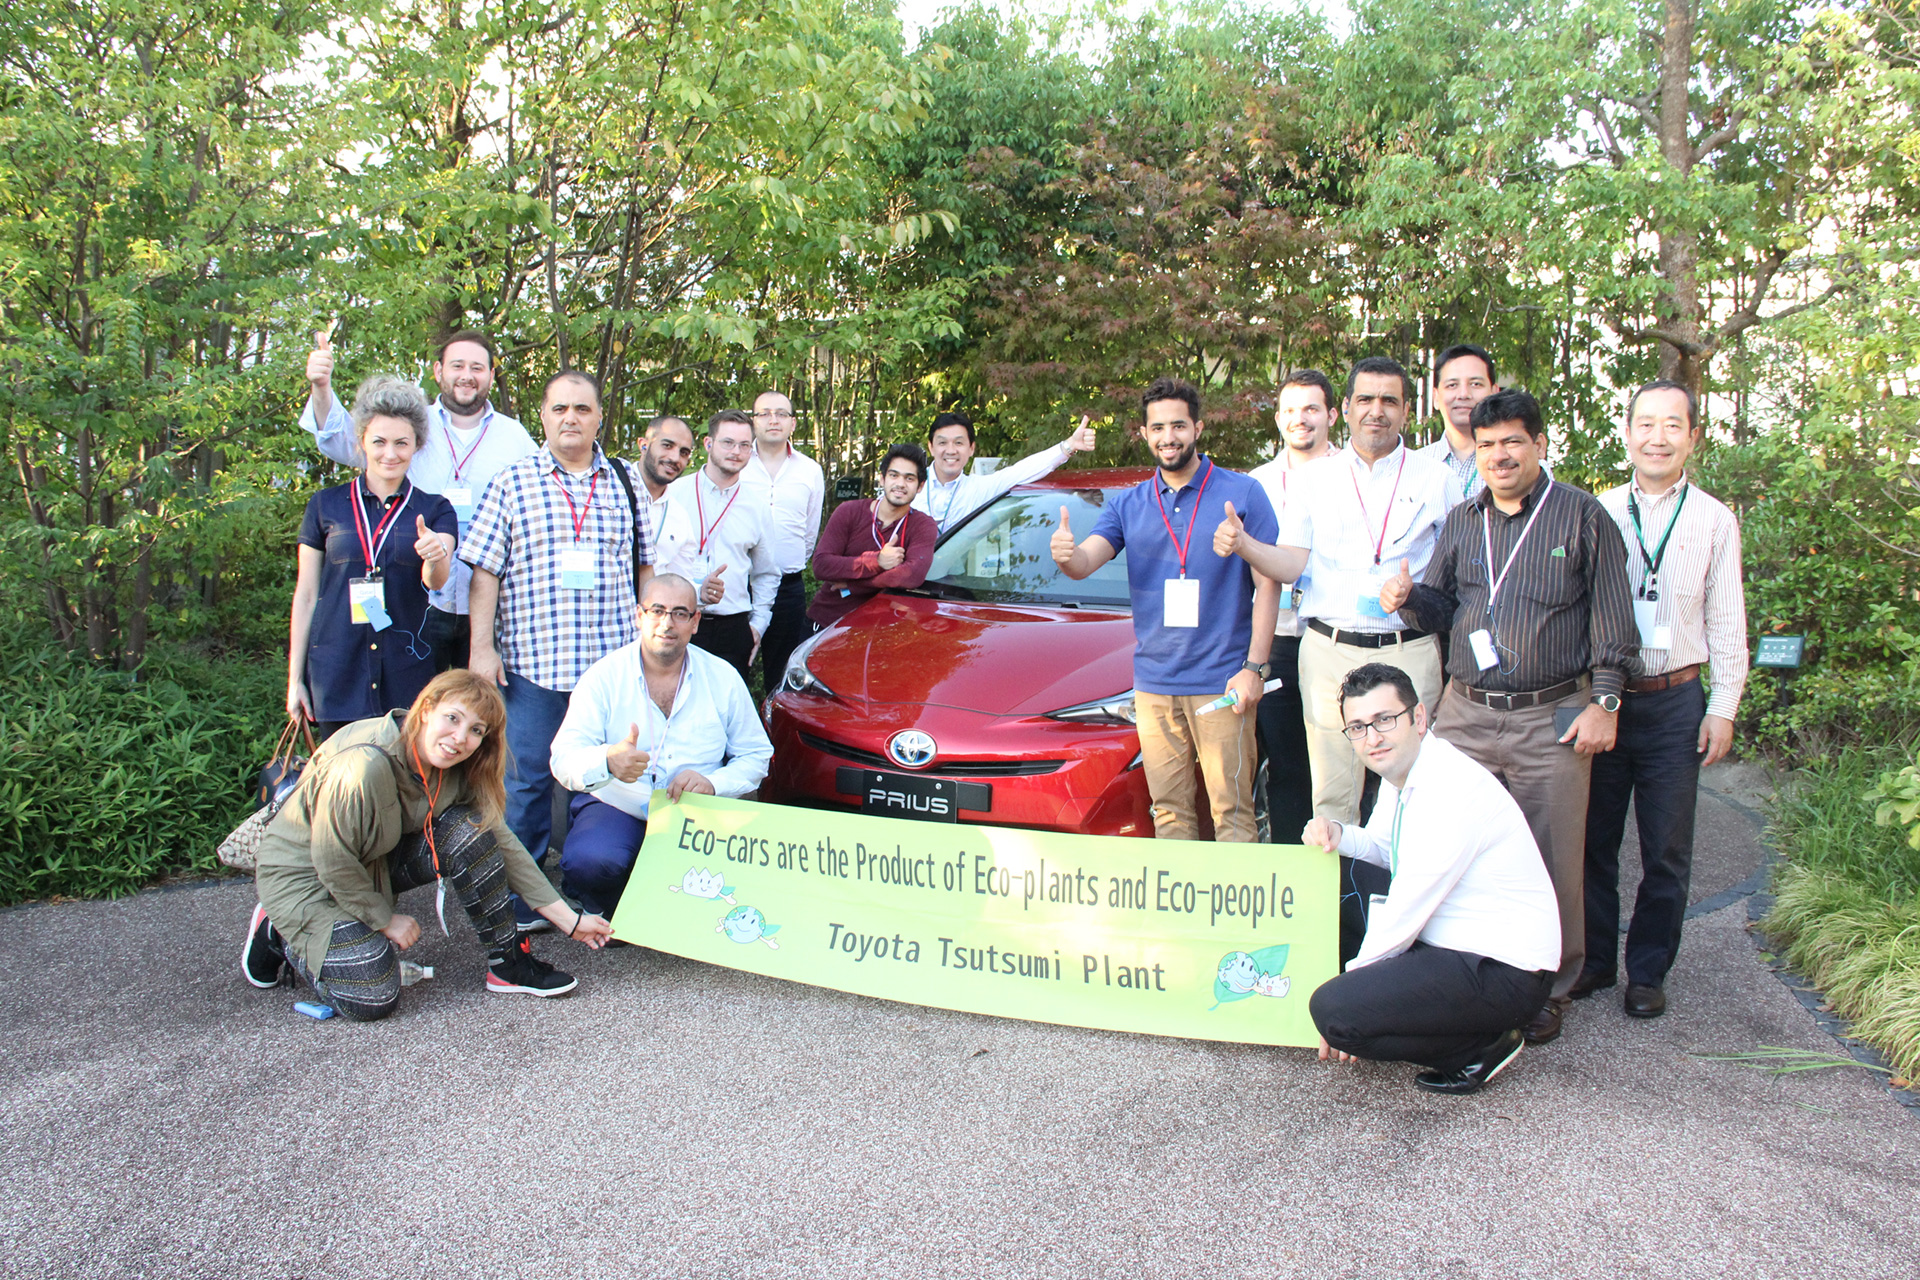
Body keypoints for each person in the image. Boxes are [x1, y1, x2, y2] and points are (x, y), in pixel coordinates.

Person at [1380, 387, 1638, 1046]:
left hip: (1548, 716)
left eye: (1512, 442)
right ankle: (1453, 960)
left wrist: (1605, 702)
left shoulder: (1583, 518)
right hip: (1466, 712)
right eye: (1488, 444)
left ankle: (1549, 985)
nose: (1499, 455)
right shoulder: (1464, 519)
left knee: (1551, 855)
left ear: (1539, 445)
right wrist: (1409, 599)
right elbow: (1442, 609)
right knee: (1443, 838)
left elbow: (1614, 622)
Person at [240, 671, 613, 1020]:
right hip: (306, 880)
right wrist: (384, 919)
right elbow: (331, 858)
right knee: (373, 996)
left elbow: (503, 843)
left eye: (476, 730)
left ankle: (509, 965)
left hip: (368, 864)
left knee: (469, 829)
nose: (459, 738)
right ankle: (278, 931)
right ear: (426, 708)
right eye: (452, 718)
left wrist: (570, 920)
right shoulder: (363, 764)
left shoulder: (455, 766)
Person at [1212, 357, 1454, 828]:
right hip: (1329, 653)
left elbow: (1460, 574)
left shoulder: (1438, 479)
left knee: (1415, 798)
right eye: (1365, 399)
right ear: (1345, 408)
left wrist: (1418, 592)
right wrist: (1246, 546)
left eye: (1389, 400)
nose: (1376, 411)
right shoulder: (1313, 479)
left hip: (1408, 649)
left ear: (1407, 410)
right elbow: (1291, 563)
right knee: (1332, 800)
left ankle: (1401, 901)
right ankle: (1340, 901)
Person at [1304, 663, 1561, 1095]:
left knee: (1333, 1009)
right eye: (1358, 727)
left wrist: (1355, 996)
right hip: (1456, 940)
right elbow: (1388, 849)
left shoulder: (1450, 791)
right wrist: (1339, 833)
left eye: (1385, 720)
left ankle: (1476, 1049)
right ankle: (1416, 1012)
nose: (1373, 738)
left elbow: (1405, 907)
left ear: (1418, 718)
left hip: (1506, 971)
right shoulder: (1404, 772)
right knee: (1340, 867)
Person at [1579, 380, 1748, 1018]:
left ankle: (1647, 970)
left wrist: (1723, 706)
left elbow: (1728, 620)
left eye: (1671, 425)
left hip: (1677, 702)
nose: (1657, 437)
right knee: (1592, 841)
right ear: (1627, 434)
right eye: (1645, 424)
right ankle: (1594, 962)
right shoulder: (1596, 510)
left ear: (1692, 437)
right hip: (1606, 698)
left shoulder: (1713, 518)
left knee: (1667, 848)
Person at [458, 370, 655, 918]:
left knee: (607, 780)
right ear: (542, 417)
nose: (572, 418)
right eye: (560, 409)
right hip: (532, 665)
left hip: (611, 667)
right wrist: (481, 648)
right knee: (525, 787)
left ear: (599, 418)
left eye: (583, 409)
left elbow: (643, 568)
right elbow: (485, 573)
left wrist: (650, 650)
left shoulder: (624, 481)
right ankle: (523, 905)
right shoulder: (512, 481)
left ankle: (595, 891)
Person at [1051, 377, 1280, 841]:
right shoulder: (1131, 502)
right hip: (1155, 684)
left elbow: (1269, 583)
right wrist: (1065, 555)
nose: (1168, 437)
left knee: (1232, 814)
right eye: (1158, 428)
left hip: (1223, 681)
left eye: (1178, 425)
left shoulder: (1242, 493)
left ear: (1197, 427)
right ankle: (1183, 915)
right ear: (1144, 434)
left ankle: (1234, 913)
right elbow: (1085, 562)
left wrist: (1254, 667)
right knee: (1170, 813)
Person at [302, 327, 537, 670]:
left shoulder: (514, 438)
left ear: (490, 374)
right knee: (417, 707)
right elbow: (340, 438)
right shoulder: (410, 424)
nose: (467, 376)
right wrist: (321, 388)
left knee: (481, 711)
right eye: (457, 365)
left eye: (477, 367)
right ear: (438, 371)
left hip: (489, 608)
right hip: (413, 601)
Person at [550, 575, 775, 918]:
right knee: (592, 861)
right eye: (657, 610)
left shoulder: (723, 677)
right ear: (639, 615)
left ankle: (676, 914)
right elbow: (563, 757)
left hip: (698, 810)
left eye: (680, 613)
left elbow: (757, 755)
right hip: (620, 805)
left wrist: (714, 783)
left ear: (695, 621)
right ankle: (614, 910)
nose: (667, 623)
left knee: (752, 875)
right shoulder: (603, 676)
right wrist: (607, 761)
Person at [287, 376, 459, 738]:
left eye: (402, 443)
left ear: (417, 446)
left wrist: (433, 554)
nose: (390, 454)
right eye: (379, 442)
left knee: (402, 786)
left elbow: (437, 580)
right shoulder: (325, 506)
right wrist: (295, 680)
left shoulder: (435, 509)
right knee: (339, 789)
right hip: (337, 674)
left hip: (407, 675)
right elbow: (305, 596)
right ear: (362, 441)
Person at [1244, 370, 1342, 845]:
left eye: (1311, 409)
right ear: (1278, 419)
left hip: (1337, 641)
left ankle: (1352, 893)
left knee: (1346, 768)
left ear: (1331, 415)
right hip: (1278, 639)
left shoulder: (1352, 477)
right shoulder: (1255, 484)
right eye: (1290, 410)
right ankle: (1292, 881)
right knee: (1286, 766)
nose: (1300, 419)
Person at [666, 409, 780, 684]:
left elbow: (767, 573)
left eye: (744, 445)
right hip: (677, 620)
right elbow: (657, 563)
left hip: (732, 627)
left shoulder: (756, 507)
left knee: (724, 717)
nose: (736, 451)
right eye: (728, 442)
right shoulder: (674, 495)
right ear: (708, 443)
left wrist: (757, 625)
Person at [744, 390, 827, 691]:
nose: (773, 420)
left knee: (781, 678)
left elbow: (809, 532)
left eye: (781, 414)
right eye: (764, 413)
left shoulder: (810, 471)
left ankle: (772, 736)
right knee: (733, 670)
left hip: (787, 588)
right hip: (740, 586)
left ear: (793, 423)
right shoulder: (737, 465)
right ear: (753, 421)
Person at [809, 444, 941, 628]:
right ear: (882, 479)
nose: (900, 484)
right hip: (828, 622)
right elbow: (821, 565)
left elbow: (911, 575)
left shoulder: (922, 525)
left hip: (882, 629)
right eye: (894, 475)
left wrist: (853, 585)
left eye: (909, 478)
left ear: (920, 486)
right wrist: (877, 561)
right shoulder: (849, 511)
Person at [915, 411, 1099, 535]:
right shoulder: (908, 483)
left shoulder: (979, 489)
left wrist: (1069, 446)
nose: (951, 450)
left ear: (971, 448)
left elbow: (1022, 471)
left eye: (958, 443)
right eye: (942, 443)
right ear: (931, 447)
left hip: (944, 582)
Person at [1416, 344, 1498, 503]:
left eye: (1475, 384)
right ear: (1436, 397)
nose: (1463, 394)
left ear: (1494, 393)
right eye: (1452, 385)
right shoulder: (1414, 467)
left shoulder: (1511, 463)